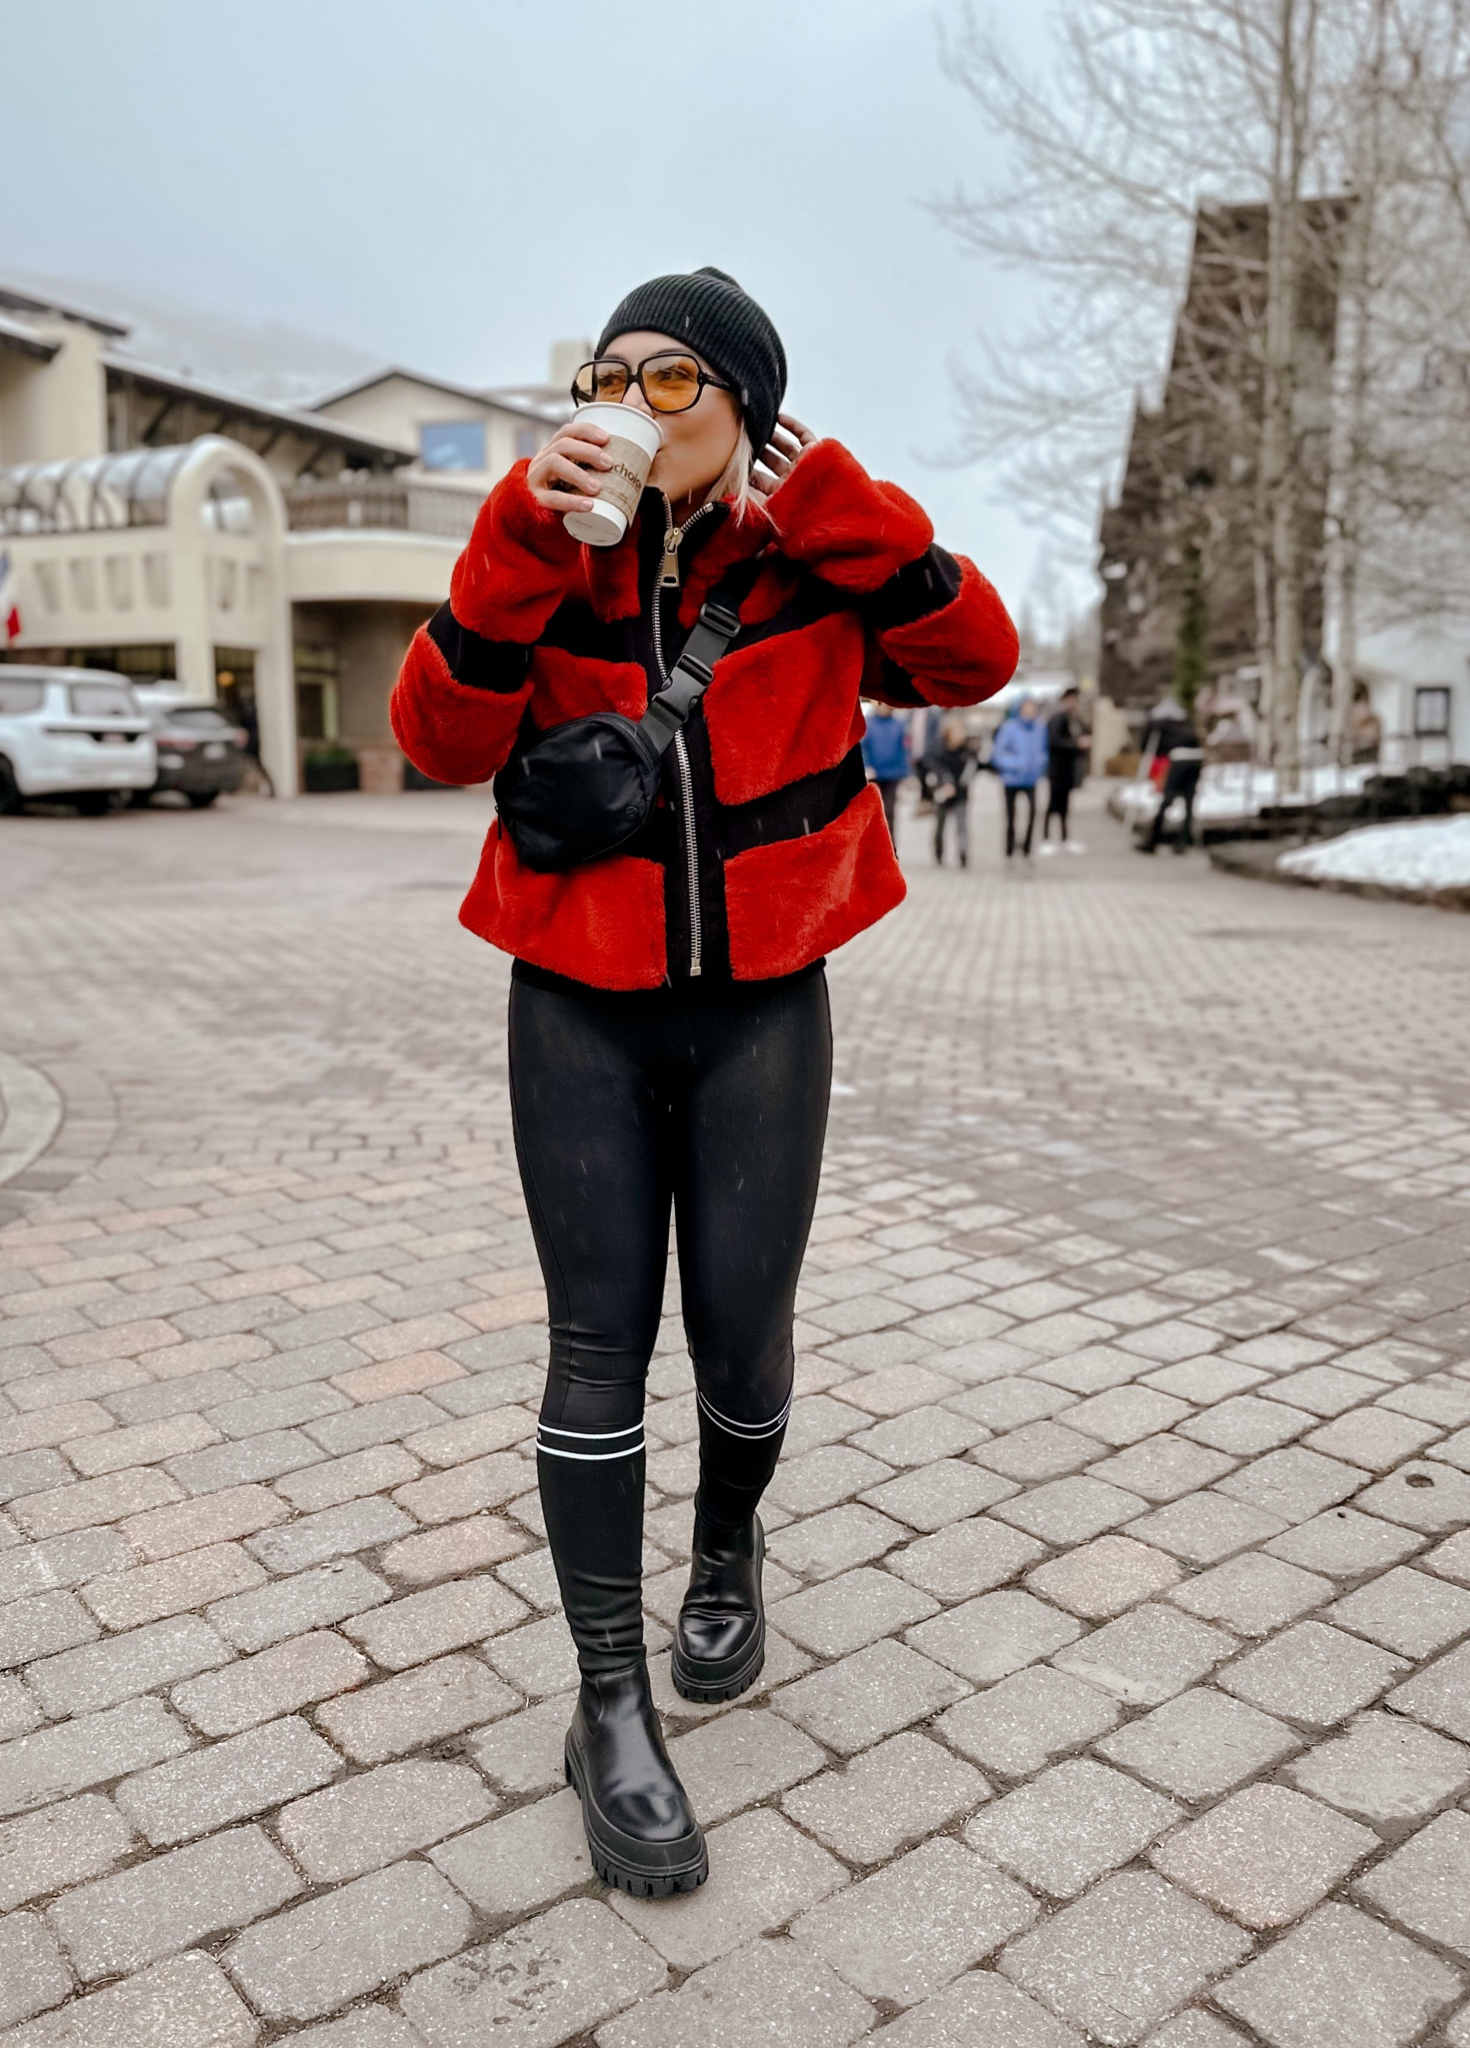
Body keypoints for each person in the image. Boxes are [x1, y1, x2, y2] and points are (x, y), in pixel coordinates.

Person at [389, 267, 1017, 1899]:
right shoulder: (540, 552)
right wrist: (519, 545)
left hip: (760, 1006)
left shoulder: (812, 551)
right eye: (609, 373)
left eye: (675, 381)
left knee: (742, 1340)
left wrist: (843, 508)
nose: (628, 403)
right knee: (595, 1342)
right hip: (574, 1002)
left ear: (745, 411)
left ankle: (727, 1540)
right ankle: (606, 1705)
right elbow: (438, 739)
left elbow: (973, 661)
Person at [1138, 704, 1204, 854]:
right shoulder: (1185, 722)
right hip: (1196, 758)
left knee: (1167, 798)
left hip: (1179, 758)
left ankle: (1153, 841)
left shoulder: (1159, 722)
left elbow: (1147, 742)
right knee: (1189, 800)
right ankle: (1183, 840)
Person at [989, 693, 1048, 858]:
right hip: (1011, 779)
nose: (1031, 710)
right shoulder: (1009, 727)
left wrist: (1039, 765)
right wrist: (1016, 765)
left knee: (1032, 813)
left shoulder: (1040, 728)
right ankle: (1009, 846)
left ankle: (1027, 847)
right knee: (1011, 816)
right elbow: (998, 754)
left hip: (1031, 779)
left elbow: (1043, 750)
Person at [861, 701, 910, 849]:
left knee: (889, 811)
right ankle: (873, 846)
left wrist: (906, 773)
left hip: (893, 774)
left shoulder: (899, 725)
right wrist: (867, 766)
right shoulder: (868, 724)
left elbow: (904, 750)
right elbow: (863, 748)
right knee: (873, 812)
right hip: (874, 775)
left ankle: (890, 846)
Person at [931, 713, 978, 867]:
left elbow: (972, 769)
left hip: (961, 794)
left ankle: (963, 854)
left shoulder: (968, 752)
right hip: (944, 793)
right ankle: (938, 853)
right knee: (940, 824)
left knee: (961, 825)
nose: (959, 735)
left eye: (961, 731)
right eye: (956, 731)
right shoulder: (940, 750)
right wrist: (946, 783)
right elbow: (937, 768)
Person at [1042, 686, 1085, 852]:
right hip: (1056, 769)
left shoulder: (1074, 719)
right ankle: (1046, 837)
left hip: (1068, 769)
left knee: (1065, 805)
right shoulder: (1057, 718)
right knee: (1053, 804)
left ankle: (1064, 837)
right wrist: (1076, 744)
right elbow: (1054, 741)